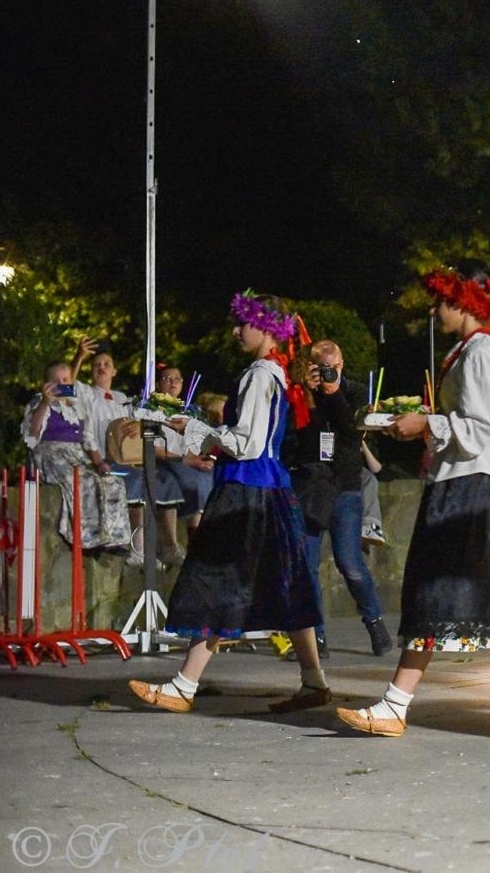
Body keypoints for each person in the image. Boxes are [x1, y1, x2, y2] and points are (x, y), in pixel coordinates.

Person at [337, 266, 490, 738]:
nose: (434, 309)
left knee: (435, 588)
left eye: (441, 302)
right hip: (477, 484)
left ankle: (395, 703)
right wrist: (427, 423)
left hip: (478, 487)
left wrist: (427, 424)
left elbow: (486, 430)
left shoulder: (481, 352)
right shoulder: (467, 352)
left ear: (463, 304)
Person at [128, 292, 327, 715]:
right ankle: (314, 681)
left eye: (244, 324)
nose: (237, 331)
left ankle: (184, 685)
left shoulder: (259, 374)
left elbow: (246, 443)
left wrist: (196, 427)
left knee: (220, 582)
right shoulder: (273, 371)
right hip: (271, 489)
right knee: (286, 584)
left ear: (268, 329)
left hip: (247, 490)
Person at [288, 340, 394, 656]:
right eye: (321, 367)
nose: (327, 372)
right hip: (310, 487)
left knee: (350, 563)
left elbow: (350, 432)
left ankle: (375, 623)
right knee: (306, 568)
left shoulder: (356, 392)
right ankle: (315, 639)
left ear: (341, 363)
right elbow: (297, 434)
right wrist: (306, 393)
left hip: (345, 487)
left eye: (331, 366)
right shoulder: (302, 393)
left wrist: (332, 394)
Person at [76, 339, 186, 565]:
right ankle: (138, 549)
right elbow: (67, 387)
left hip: (128, 461)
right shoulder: (86, 394)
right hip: (104, 463)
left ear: (114, 371)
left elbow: (147, 422)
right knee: (136, 480)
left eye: (107, 363)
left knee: (165, 482)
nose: (102, 367)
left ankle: (169, 546)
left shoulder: (123, 399)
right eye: (97, 364)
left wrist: (140, 425)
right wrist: (79, 357)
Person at [21, 360, 133, 552]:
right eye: (55, 380)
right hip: (50, 454)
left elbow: (88, 438)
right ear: (47, 383)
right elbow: (31, 434)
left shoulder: (77, 406)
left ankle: (113, 538)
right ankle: (86, 540)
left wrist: (99, 462)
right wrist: (45, 404)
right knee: (83, 481)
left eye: (65, 379)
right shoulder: (39, 403)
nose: (61, 383)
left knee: (113, 483)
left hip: (75, 454)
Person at [156, 364, 216, 533]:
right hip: (166, 462)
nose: (172, 382)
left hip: (189, 461)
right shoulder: (151, 410)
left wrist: (202, 459)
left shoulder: (191, 413)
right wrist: (189, 460)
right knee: (197, 481)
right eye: (167, 379)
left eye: (177, 379)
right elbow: (154, 448)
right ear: (159, 384)